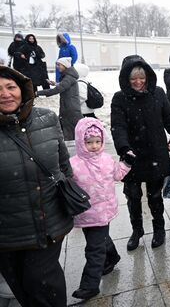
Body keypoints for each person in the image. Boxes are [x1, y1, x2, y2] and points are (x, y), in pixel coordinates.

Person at [0, 61, 73, 306]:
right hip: (8, 230)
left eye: (10, 87)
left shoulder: (47, 119)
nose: (5, 94)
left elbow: (64, 165)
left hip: (49, 221)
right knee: (22, 288)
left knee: (42, 281)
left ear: (22, 89)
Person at [110, 55, 170, 251]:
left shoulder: (158, 93)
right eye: (133, 78)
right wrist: (124, 148)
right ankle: (137, 230)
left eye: (141, 78)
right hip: (132, 157)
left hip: (155, 153)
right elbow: (118, 126)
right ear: (126, 79)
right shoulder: (120, 98)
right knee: (133, 196)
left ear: (147, 77)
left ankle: (159, 228)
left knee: (154, 196)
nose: (137, 82)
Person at [69, 118, 131, 301]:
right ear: (81, 142)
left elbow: (117, 175)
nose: (94, 146)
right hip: (85, 211)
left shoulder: (106, 159)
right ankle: (112, 256)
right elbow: (67, 184)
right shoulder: (73, 164)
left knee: (94, 249)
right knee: (98, 239)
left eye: (98, 142)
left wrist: (126, 164)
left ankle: (90, 285)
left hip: (103, 210)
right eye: (89, 142)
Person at [36, 57, 83, 141]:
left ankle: (72, 148)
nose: (58, 67)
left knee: (71, 132)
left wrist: (38, 93)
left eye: (59, 65)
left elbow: (57, 90)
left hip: (70, 108)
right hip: (69, 107)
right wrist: (56, 84)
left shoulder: (68, 77)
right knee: (70, 131)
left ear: (65, 65)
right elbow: (64, 86)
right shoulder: (69, 77)